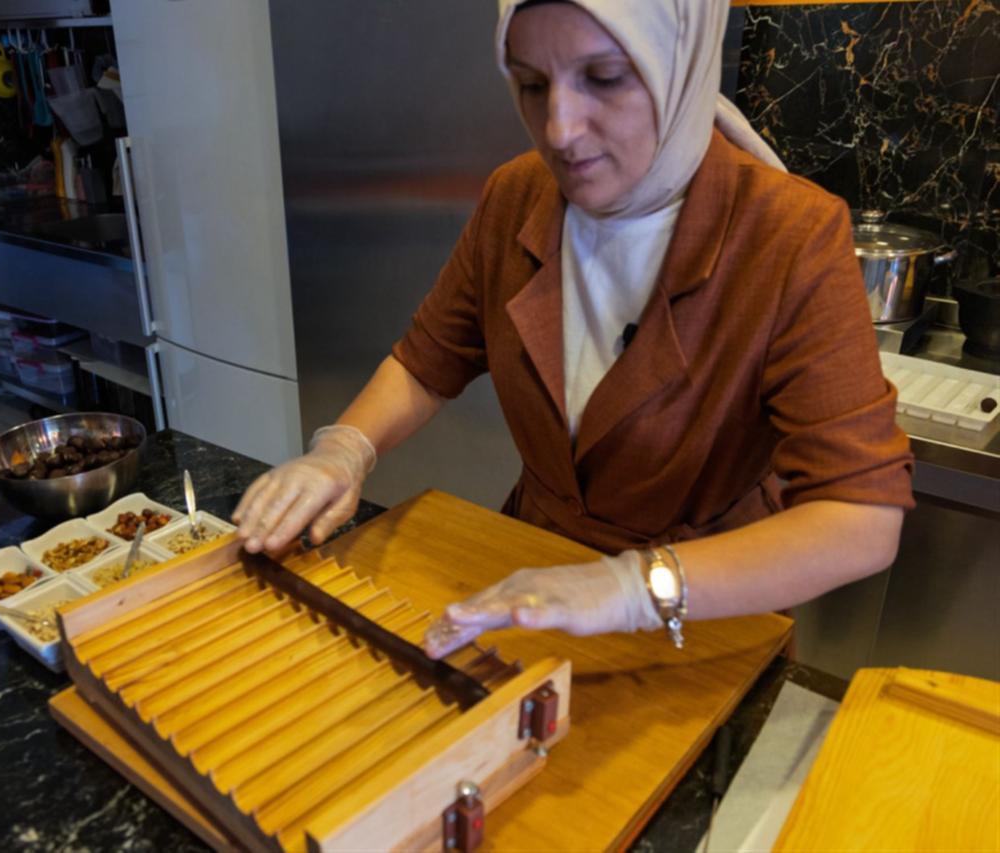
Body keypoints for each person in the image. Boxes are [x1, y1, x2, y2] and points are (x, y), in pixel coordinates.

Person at [233, 0, 913, 659]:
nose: (559, 128)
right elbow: (427, 360)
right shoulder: (516, 196)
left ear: (678, 60)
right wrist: (344, 449)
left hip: (707, 614)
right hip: (534, 575)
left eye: (605, 77)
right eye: (531, 84)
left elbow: (860, 518)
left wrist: (629, 588)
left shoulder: (790, 237)